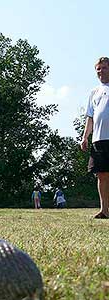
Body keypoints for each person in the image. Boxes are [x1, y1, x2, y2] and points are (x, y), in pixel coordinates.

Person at [81, 56, 109, 219]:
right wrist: (85, 137)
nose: (100, 71)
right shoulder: (94, 92)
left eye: (104, 68)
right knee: (102, 174)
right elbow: (90, 117)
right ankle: (104, 210)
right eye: (98, 69)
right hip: (99, 139)